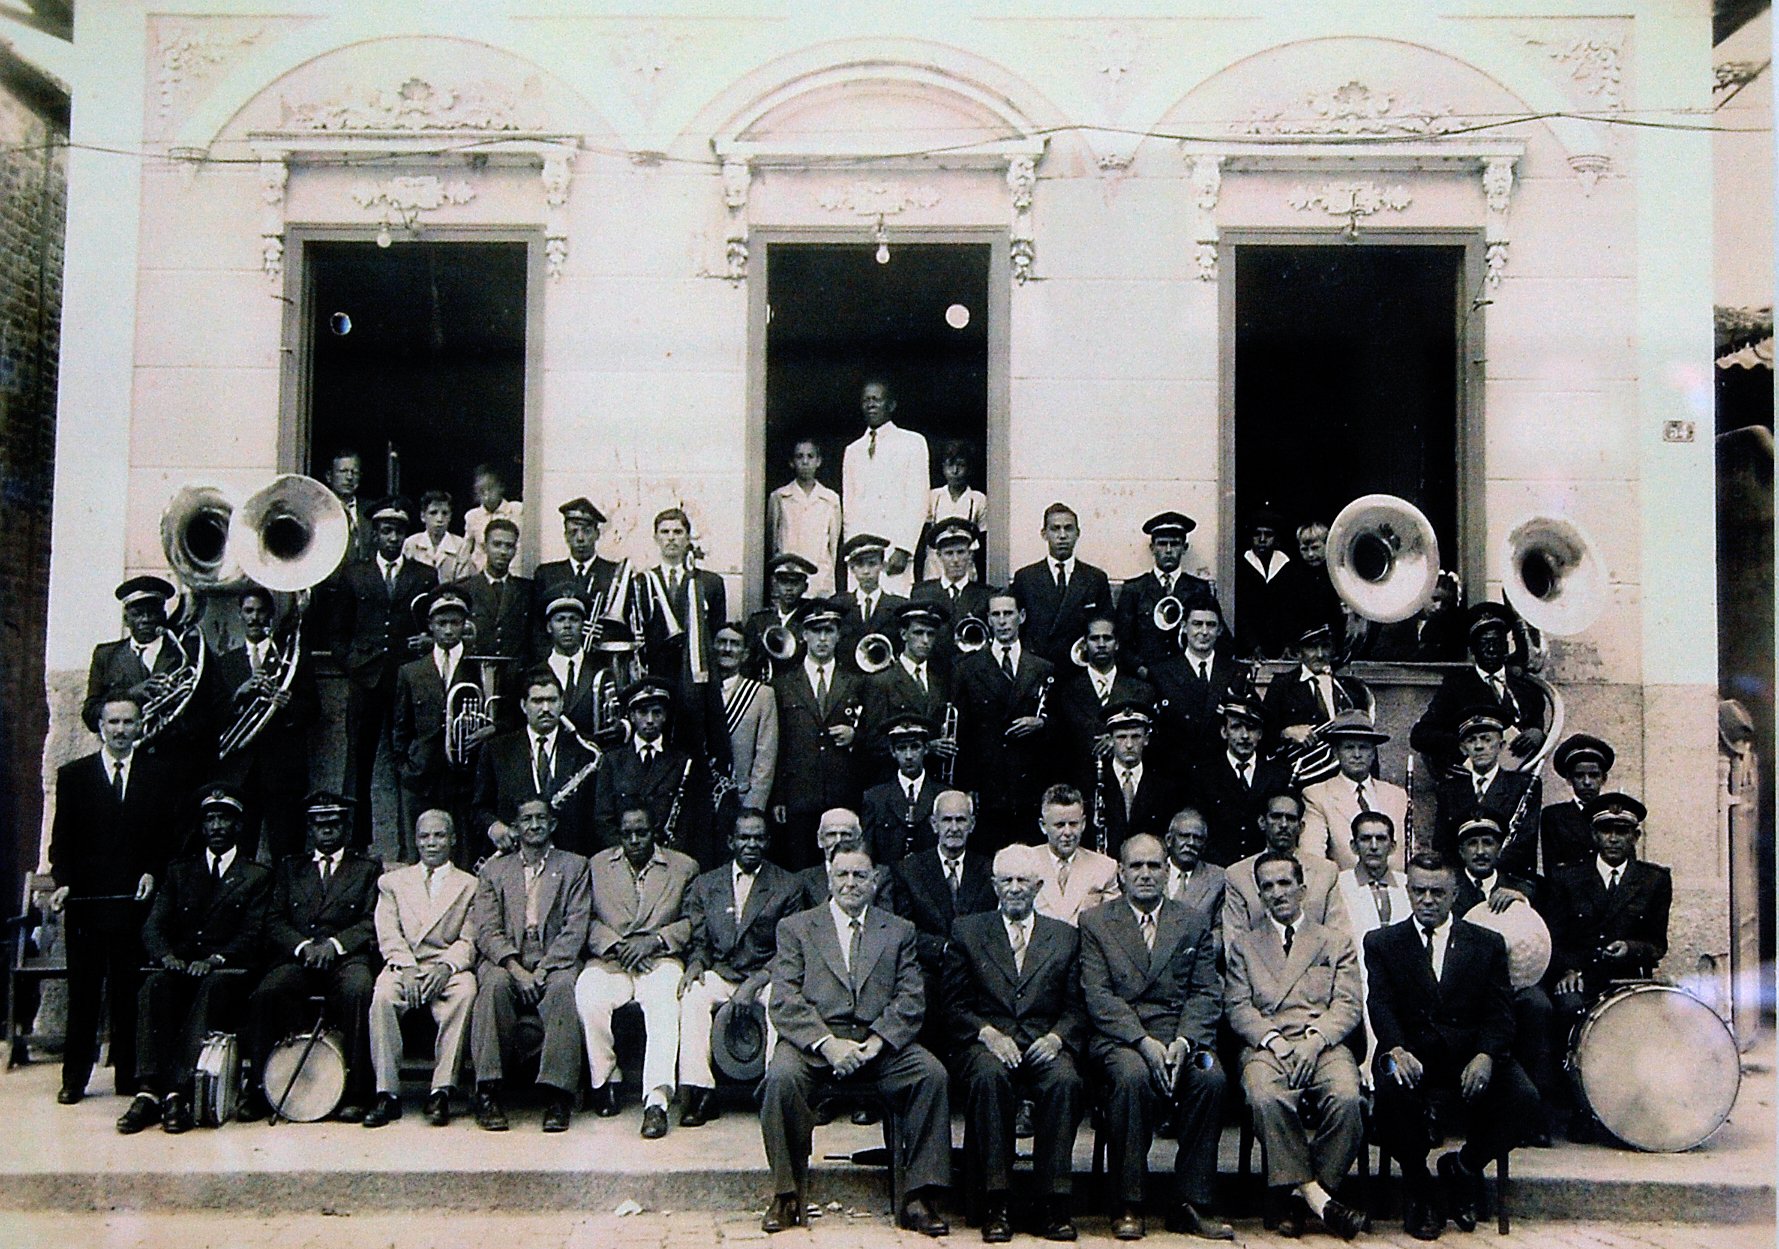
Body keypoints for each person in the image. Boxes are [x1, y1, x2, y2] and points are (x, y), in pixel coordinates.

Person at [758, 843, 952, 1236]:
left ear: (875, 881)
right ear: (829, 880)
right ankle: (786, 1194)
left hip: (877, 1045)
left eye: (859, 875)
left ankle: (919, 1196)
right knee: (780, 1079)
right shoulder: (797, 928)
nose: (851, 883)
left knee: (931, 1075)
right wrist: (828, 1044)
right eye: (842, 875)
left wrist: (879, 1041)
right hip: (816, 1045)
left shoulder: (898, 930)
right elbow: (784, 998)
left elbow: (911, 997)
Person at [1365, 853, 1540, 1241]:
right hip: (1409, 1053)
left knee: (1524, 1098)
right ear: (1407, 891)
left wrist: (1486, 1054)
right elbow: (1379, 1002)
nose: (1427, 900)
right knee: (1390, 1085)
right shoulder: (1383, 942)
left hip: (1468, 1053)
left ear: (1455, 893)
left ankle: (1463, 1167)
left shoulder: (1486, 943)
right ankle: (1419, 1187)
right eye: (1419, 891)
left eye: (1437, 892)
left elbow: (1501, 1013)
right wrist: (1394, 1047)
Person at [1080, 833, 1232, 1241]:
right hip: (1122, 1039)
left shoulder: (1192, 922)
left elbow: (1205, 992)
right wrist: (1144, 1043)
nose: (1145, 874)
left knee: (1211, 1076)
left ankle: (1192, 1202)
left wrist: (1184, 1042)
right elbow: (1098, 995)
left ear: (1167, 871)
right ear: (1121, 874)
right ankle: (1128, 1202)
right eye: (1136, 866)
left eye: (1154, 866)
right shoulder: (1096, 922)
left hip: (1182, 1039)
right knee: (1131, 1077)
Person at [942, 843, 1087, 1242]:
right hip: (986, 1042)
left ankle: (1053, 1203)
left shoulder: (1064, 936)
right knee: (989, 1079)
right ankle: (996, 1203)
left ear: (1038, 886)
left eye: (1023, 880)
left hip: (1044, 1042)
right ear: (993, 885)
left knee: (1065, 1081)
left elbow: (1078, 1006)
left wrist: (1057, 1038)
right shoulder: (968, 931)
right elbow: (952, 1004)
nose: (1015, 888)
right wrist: (987, 1033)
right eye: (1007, 880)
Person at [1224, 852, 1366, 1240]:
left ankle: (1296, 1195)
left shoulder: (1334, 941)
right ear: (1259, 894)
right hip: (1267, 1046)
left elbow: (1349, 1002)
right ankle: (1318, 1199)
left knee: (1347, 1098)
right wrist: (1272, 1041)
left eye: (1285, 883)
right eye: (1267, 886)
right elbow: (1237, 1005)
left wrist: (1315, 1041)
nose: (1277, 893)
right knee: (1264, 1098)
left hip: (1322, 1043)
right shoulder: (1245, 945)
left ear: (1302, 889)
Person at [49, 693, 180, 1104]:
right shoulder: (74, 776)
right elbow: (61, 844)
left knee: (129, 990)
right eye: (113, 723)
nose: (121, 730)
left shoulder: (159, 775)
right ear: (100, 727)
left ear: (141, 726)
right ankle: (74, 1079)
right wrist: (64, 882)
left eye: (128, 722)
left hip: (133, 904)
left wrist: (152, 873)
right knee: (84, 993)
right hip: (88, 904)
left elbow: (168, 840)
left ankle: (128, 1075)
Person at [117, 784, 269, 1135]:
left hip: (229, 969)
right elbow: (154, 925)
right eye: (210, 819)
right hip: (183, 965)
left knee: (212, 988)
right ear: (201, 828)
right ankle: (148, 1091)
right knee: (154, 986)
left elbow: (253, 933)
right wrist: (166, 956)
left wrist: (216, 958)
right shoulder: (180, 871)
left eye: (224, 819)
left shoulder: (256, 876)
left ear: (238, 826)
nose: (216, 826)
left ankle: (179, 1092)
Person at [242, 791, 381, 1123]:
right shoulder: (291, 869)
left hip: (346, 959)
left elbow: (370, 920)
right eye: (321, 825)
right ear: (311, 829)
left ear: (345, 827)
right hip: (299, 957)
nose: (328, 831)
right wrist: (304, 946)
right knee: (267, 992)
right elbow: (274, 920)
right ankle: (260, 1091)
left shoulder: (366, 869)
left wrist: (334, 944)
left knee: (360, 991)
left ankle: (358, 1093)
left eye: (334, 824)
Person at [576, 805, 700, 1138]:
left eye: (641, 832)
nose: (634, 840)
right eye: (627, 833)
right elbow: (583, 920)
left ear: (655, 831)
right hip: (611, 960)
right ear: (618, 834)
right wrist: (617, 946)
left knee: (664, 1003)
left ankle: (656, 1103)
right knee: (588, 994)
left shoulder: (683, 867)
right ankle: (606, 1081)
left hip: (658, 960)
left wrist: (655, 941)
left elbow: (693, 920)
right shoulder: (597, 866)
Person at [468, 798, 591, 1133]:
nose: (534, 825)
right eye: (527, 819)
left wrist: (544, 969)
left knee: (564, 988)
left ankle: (557, 1094)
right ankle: (489, 1090)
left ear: (552, 825)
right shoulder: (494, 871)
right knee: (492, 986)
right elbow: (486, 929)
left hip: (554, 958)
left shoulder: (575, 866)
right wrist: (516, 968)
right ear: (517, 827)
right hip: (508, 958)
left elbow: (575, 927)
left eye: (541, 819)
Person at [676, 811, 804, 1127]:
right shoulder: (707, 884)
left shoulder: (787, 885)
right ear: (731, 841)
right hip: (723, 971)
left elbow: (791, 949)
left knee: (782, 1000)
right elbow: (700, 939)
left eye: (758, 838)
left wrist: (757, 981)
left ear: (767, 842)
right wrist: (695, 962)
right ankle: (700, 1091)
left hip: (766, 973)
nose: (751, 844)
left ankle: (773, 1092)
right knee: (692, 996)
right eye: (744, 838)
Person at [325, 499, 438, 844]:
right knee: (358, 761)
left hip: (407, 680)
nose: (392, 538)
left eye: (398, 531)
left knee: (412, 758)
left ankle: (413, 842)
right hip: (366, 680)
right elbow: (338, 632)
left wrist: (427, 641)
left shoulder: (425, 575)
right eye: (386, 531)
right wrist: (353, 665)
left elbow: (434, 623)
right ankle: (357, 842)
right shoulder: (354, 574)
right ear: (375, 534)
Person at [366, 809, 478, 1128]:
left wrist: (446, 966)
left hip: (446, 968)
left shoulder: (469, 884)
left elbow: (470, 936)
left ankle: (441, 1091)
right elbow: (388, 931)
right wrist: (407, 967)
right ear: (415, 841)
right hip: (406, 966)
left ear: (453, 840)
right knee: (383, 996)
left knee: (466, 991)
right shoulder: (393, 882)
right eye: (425, 836)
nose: (432, 843)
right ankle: (387, 1093)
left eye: (440, 835)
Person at [1451, 815, 1559, 1144]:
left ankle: (1533, 1116)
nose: (1481, 851)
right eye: (1472, 843)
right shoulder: (1449, 888)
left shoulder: (1525, 886)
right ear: (1461, 850)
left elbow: (1543, 940)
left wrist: (1521, 903)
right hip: (1464, 989)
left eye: (1488, 843)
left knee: (1537, 1006)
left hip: (1517, 984)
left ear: (1500, 847)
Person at [83, 575, 217, 788]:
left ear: (163, 615)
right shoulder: (106, 655)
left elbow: (213, 708)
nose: (145, 620)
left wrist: (178, 715)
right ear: (126, 619)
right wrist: (130, 695)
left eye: (152, 612)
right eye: (137, 614)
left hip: (179, 764)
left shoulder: (189, 651)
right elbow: (90, 715)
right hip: (129, 766)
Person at [213, 585, 316, 863]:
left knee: (287, 848)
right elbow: (213, 717)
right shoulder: (225, 662)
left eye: (261, 611)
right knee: (238, 851)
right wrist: (240, 694)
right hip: (239, 771)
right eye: (248, 611)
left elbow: (313, 710)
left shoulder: (291, 658)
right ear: (239, 615)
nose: (255, 618)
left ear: (270, 615)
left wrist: (288, 705)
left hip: (282, 769)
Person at [1546, 793, 1671, 1013]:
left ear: (1635, 836)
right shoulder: (1567, 878)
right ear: (1594, 835)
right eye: (1606, 831)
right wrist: (1568, 971)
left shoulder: (1653, 880)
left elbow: (1657, 943)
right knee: (1569, 1007)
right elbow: (1553, 940)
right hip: (1581, 978)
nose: (1613, 839)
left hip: (1629, 980)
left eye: (1622, 831)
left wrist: (1630, 948)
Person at [892, 789, 996, 1051]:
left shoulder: (989, 869)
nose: (953, 828)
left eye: (961, 820)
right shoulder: (909, 870)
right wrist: (945, 949)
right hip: (931, 973)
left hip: (977, 975)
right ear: (933, 824)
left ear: (972, 824)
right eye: (946, 820)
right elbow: (903, 929)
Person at [953, 592, 1056, 853]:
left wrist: (1041, 724)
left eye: (1008, 613)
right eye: (996, 615)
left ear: (1021, 617)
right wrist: (969, 787)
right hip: (989, 789)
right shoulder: (968, 668)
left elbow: (1061, 726)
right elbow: (963, 735)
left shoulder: (1042, 667)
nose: (1002, 621)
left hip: (1030, 787)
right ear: (988, 620)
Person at [768, 607, 865, 871]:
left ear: (838, 636)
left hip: (842, 795)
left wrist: (855, 736)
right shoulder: (783, 684)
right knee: (799, 866)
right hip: (799, 796)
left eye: (829, 631)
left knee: (842, 866)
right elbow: (776, 745)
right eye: (815, 631)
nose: (822, 639)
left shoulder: (856, 682)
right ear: (804, 635)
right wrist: (778, 797)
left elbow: (873, 733)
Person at [391, 589, 481, 862]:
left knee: (463, 850)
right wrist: (406, 766)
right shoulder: (411, 671)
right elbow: (400, 726)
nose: (449, 630)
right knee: (417, 852)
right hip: (421, 775)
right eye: (442, 624)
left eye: (455, 623)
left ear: (465, 624)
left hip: (465, 775)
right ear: (430, 626)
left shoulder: (478, 666)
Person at [472, 669, 600, 858]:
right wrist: (494, 827)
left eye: (552, 700)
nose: (546, 709)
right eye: (537, 701)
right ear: (523, 705)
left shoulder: (586, 750)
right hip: (514, 858)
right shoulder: (496, 750)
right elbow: (479, 808)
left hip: (572, 859)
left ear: (562, 703)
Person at [1410, 602, 1549, 772]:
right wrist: (1465, 744)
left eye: (1496, 643)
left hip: (1522, 779)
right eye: (1483, 644)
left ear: (1505, 647)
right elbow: (1420, 736)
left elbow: (1538, 723)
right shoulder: (1456, 686)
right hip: (1474, 780)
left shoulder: (1526, 686)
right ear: (1472, 650)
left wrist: (1538, 734)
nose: (1491, 650)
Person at [591, 677, 715, 868]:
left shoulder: (683, 762)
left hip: (669, 860)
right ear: (631, 716)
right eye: (642, 712)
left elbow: (691, 820)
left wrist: (670, 855)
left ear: (665, 716)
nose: (650, 720)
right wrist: (625, 853)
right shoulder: (612, 761)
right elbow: (603, 819)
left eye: (656, 713)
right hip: (623, 861)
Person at [1332, 811, 1410, 1070]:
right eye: (1366, 839)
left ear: (1393, 845)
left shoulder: (1409, 884)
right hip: (1357, 976)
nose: (1374, 846)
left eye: (1381, 838)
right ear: (1353, 846)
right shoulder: (1338, 886)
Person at [841, 378, 931, 597]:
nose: (871, 404)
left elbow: (918, 500)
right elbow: (849, 507)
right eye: (866, 400)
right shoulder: (853, 450)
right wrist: (853, 554)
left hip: (894, 554)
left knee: (894, 611)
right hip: (861, 557)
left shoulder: (912, 443)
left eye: (877, 399)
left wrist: (903, 549)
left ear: (891, 405)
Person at [1182, 696, 1292, 866]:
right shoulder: (1204, 775)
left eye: (1252, 728)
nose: (1245, 736)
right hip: (1216, 868)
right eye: (1236, 727)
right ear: (1224, 732)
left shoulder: (1278, 775)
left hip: (1265, 868)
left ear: (1260, 734)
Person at [1432, 707, 1541, 874]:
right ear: (1463, 748)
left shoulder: (1522, 786)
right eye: (1471, 740)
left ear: (1501, 745)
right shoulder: (1449, 790)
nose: (1479, 746)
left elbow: (1525, 841)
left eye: (1486, 739)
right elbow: (1443, 844)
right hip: (1462, 881)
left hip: (1508, 879)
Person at [1223, 792, 1348, 935]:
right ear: (1262, 822)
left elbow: (1338, 935)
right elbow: (1235, 940)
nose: (1283, 824)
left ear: (1301, 827)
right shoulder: (1237, 875)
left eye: (1291, 819)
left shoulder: (1326, 871)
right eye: (1276, 817)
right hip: (1259, 955)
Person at [1300, 711, 1410, 872]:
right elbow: (1313, 859)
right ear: (1336, 753)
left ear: (1373, 753)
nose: (1357, 755)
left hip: (1394, 887)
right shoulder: (1317, 795)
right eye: (1349, 748)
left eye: (1363, 748)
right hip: (1344, 890)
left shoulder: (1396, 795)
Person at [1261, 623, 1372, 781]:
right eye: (1312, 648)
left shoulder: (1350, 689)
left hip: (1345, 779)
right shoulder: (1282, 686)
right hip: (1299, 780)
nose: (1320, 655)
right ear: (1299, 652)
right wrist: (1286, 733)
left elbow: (1366, 739)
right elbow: (1262, 737)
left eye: (1325, 646)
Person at [1115, 511, 1219, 679]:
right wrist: (1141, 669)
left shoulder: (1199, 588)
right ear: (1152, 548)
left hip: (1186, 679)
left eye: (1175, 544)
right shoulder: (1134, 590)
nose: (1168, 550)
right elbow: (1122, 641)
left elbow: (1214, 636)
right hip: (1146, 679)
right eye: (1162, 544)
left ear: (1184, 548)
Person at [1010, 502, 1112, 669]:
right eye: (1055, 529)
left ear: (1077, 533)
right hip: (1036, 668)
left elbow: (1105, 627)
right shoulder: (1025, 578)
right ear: (1044, 534)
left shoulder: (1095, 579)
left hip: (1078, 669)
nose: (1062, 535)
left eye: (1068, 528)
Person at [1052, 614, 1154, 777]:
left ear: (1117, 644)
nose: (1101, 644)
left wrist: (1115, 740)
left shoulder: (1141, 690)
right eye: (1094, 639)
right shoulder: (1067, 691)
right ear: (1084, 644)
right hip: (1082, 779)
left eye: (1107, 638)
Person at [638, 507, 727, 692]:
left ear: (687, 539)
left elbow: (716, 631)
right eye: (664, 532)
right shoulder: (642, 582)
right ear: (656, 538)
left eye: (678, 532)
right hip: (655, 675)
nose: (671, 537)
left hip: (695, 678)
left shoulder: (710, 582)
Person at [860, 602, 952, 780]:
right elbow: (874, 742)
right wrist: (926, 748)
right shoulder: (880, 681)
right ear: (904, 634)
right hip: (894, 780)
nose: (925, 640)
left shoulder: (941, 681)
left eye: (931, 634)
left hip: (933, 780)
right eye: (918, 633)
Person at [1146, 603, 1236, 765]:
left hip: (1220, 774)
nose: (1204, 632)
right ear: (1184, 627)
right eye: (1197, 624)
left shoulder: (1236, 673)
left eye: (1211, 625)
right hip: (1175, 773)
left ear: (1220, 630)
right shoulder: (1160, 673)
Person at [529, 498, 620, 653]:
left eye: (586, 531)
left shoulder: (614, 574)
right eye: (573, 532)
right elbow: (537, 627)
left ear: (597, 534)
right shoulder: (546, 574)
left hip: (599, 660)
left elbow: (620, 629)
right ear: (565, 536)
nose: (580, 538)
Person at [1093, 701, 1182, 859]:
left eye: (1135, 737)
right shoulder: (1094, 782)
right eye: (1121, 737)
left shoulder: (1164, 787)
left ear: (1146, 739)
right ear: (1110, 740)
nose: (1129, 745)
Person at [711, 623, 779, 817]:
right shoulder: (699, 691)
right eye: (721, 643)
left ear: (745, 653)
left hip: (740, 797)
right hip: (702, 797)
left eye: (734, 644)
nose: (727, 649)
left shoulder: (761, 695)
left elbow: (765, 756)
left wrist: (752, 807)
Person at [1030, 784, 1120, 926]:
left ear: (1083, 823)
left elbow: (1114, 925)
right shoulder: (1025, 862)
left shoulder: (1105, 867)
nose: (1067, 832)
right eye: (1059, 825)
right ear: (1043, 826)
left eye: (1073, 824)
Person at [859, 713, 943, 864]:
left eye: (915, 747)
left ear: (926, 749)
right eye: (901, 748)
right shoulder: (875, 798)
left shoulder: (943, 795)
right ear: (892, 752)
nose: (909, 755)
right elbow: (867, 853)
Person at [911, 519, 991, 674]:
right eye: (949, 553)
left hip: (974, 676)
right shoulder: (921, 593)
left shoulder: (986, 595)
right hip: (935, 676)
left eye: (961, 552)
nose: (955, 560)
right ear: (939, 556)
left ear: (970, 554)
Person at [450, 516, 530, 669]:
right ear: (484, 547)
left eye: (509, 546)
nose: (503, 552)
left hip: (516, 675)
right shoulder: (464, 589)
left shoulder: (526, 591)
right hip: (472, 671)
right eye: (497, 544)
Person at [768, 438, 843, 598]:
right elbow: (773, 541)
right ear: (792, 462)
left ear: (818, 461)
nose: (805, 462)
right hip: (789, 576)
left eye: (810, 456)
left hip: (819, 579)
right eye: (799, 457)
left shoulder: (830, 499)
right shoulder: (780, 497)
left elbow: (833, 545)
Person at [831, 534, 908, 670]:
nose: (866, 571)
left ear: (882, 566)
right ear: (851, 568)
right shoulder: (839, 605)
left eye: (872, 564)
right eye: (860, 565)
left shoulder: (898, 606)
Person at [917, 439, 989, 583]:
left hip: (964, 566)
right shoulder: (933, 497)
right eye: (950, 465)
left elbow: (982, 540)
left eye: (960, 465)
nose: (955, 471)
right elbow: (923, 536)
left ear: (969, 468)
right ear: (943, 467)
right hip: (935, 568)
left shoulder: (977, 499)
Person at [1542, 733, 1616, 871]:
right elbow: (1552, 869)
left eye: (1594, 775)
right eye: (1579, 776)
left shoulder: (1614, 814)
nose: (1587, 782)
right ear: (1569, 779)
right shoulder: (1554, 816)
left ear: (1604, 778)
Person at [1233, 506, 1299, 661]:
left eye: (1268, 534)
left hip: (1282, 647)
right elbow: (1241, 611)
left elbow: (1292, 610)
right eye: (1257, 534)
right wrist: (1252, 646)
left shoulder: (1287, 566)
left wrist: (1289, 644)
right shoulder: (1241, 566)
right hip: (1250, 647)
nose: (1262, 539)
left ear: (1276, 538)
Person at [745, 553, 821, 674]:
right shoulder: (759, 620)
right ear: (775, 585)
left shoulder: (811, 620)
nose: (789, 588)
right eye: (784, 582)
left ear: (805, 587)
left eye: (795, 583)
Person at [1163, 808, 1228, 931]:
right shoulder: (1150, 870)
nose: (1191, 843)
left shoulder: (1218, 879)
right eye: (1184, 836)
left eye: (1198, 838)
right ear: (1169, 840)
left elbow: (1219, 930)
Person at [402, 489, 478, 584]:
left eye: (445, 513)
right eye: (433, 513)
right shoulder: (411, 544)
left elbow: (464, 581)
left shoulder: (461, 546)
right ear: (423, 516)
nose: (440, 519)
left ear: (450, 516)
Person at [460, 463, 524, 574]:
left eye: (490, 488)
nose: (486, 494)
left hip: (511, 572)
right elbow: (465, 551)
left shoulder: (516, 510)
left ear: (501, 487)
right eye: (481, 490)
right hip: (481, 575)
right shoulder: (473, 516)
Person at [1294, 520, 1347, 649]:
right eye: (1304, 549)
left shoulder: (1341, 575)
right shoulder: (1297, 578)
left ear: (1327, 545)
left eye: (1315, 548)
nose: (1310, 554)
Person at [324, 447, 373, 563]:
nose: (349, 477)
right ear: (329, 476)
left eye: (354, 472)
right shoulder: (318, 511)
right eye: (343, 471)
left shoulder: (371, 511)